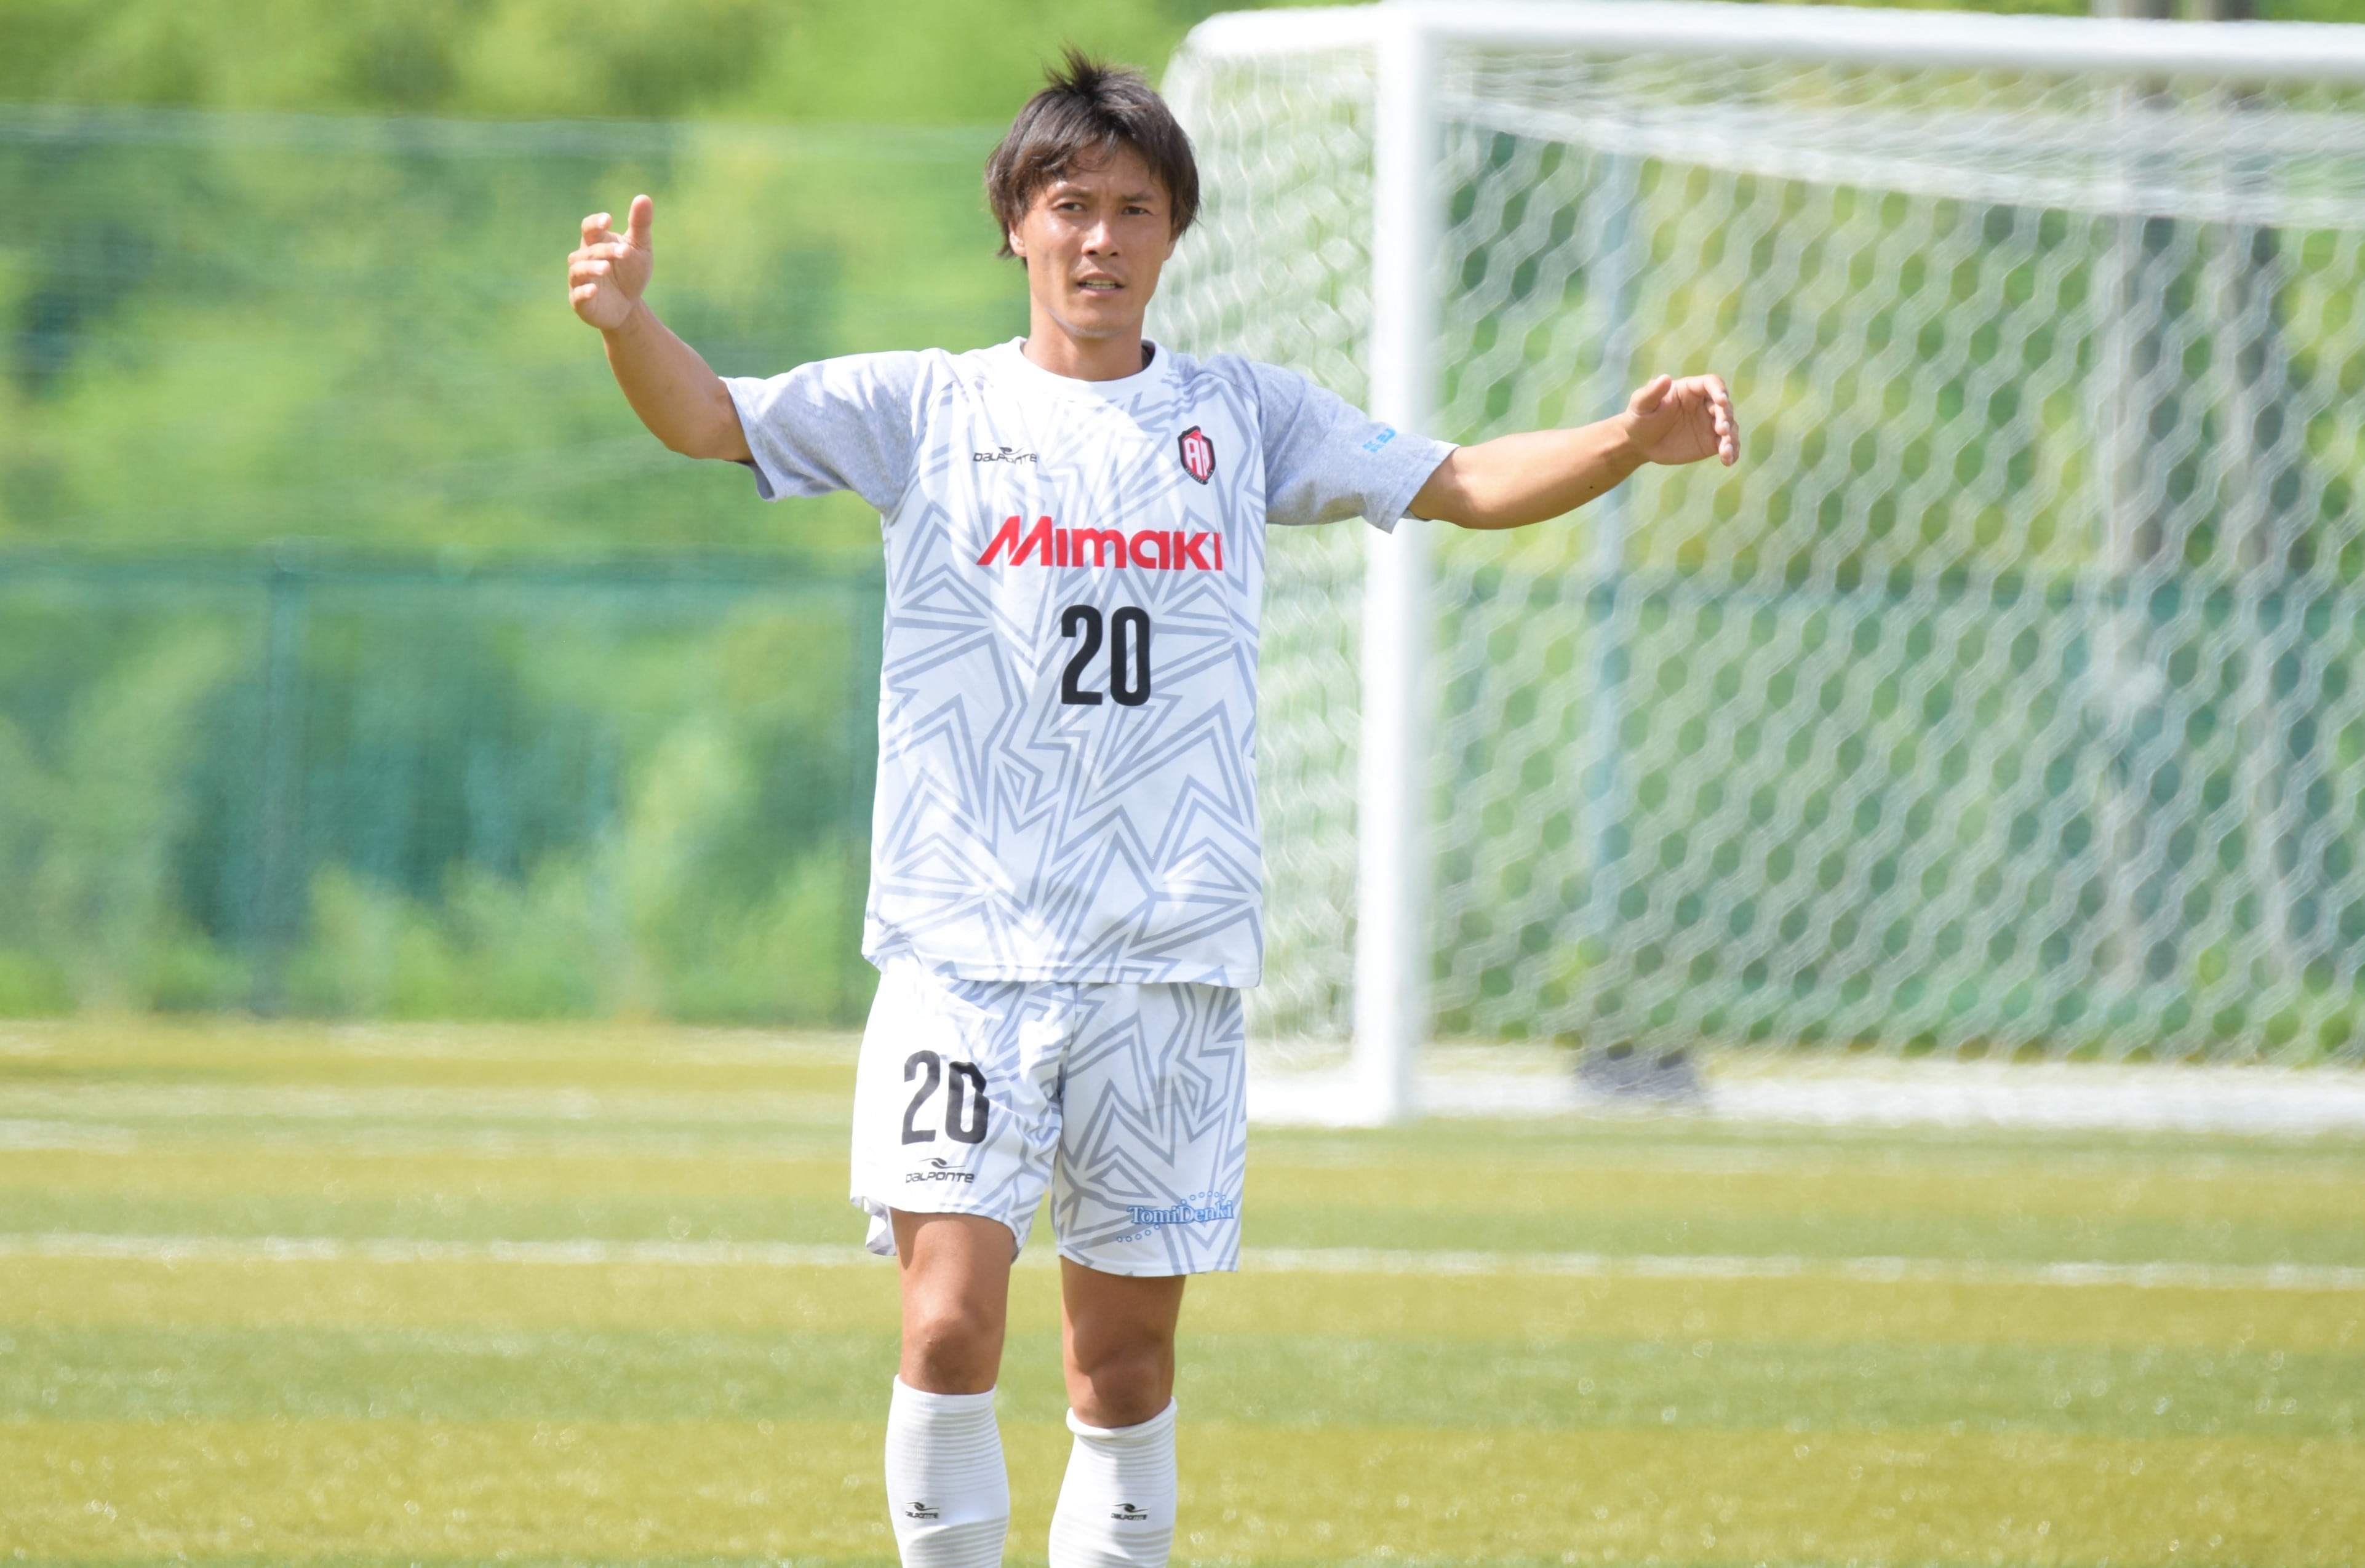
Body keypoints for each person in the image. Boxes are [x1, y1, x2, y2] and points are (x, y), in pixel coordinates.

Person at [566, 49, 1736, 1568]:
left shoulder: (1239, 417)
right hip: (963, 953)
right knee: (944, 1322)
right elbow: (708, 419)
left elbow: (1455, 480)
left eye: (1133, 209)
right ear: (1014, 224)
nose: (1100, 239)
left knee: (1118, 1366)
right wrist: (628, 325)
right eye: (1070, 206)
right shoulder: (926, 406)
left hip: (1164, 960)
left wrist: (1622, 443)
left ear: (1174, 233)